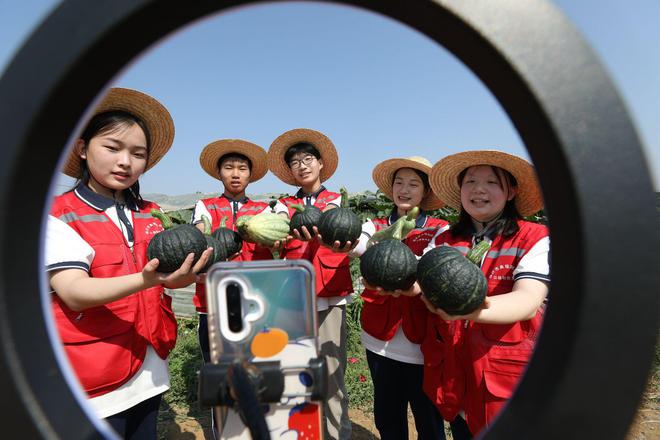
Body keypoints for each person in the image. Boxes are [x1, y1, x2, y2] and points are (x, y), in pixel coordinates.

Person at [45, 87, 212, 439]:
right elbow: (74, 291)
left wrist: (180, 280)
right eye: (112, 147)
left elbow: (164, 278)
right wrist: (148, 280)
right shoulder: (58, 215)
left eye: (138, 154)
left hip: (150, 370)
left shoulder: (151, 213)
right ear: (82, 148)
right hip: (93, 378)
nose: (126, 162)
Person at [421, 150, 550, 437]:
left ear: (511, 191)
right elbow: (422, 282)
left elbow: (527, 301)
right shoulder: (443, 240)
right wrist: (401, 284)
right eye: (470, 181)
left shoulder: (534, 238)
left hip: (503, 379)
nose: (479, 189)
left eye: (492, 182)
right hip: (455, 376)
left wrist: (466, 309)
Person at [351, 156, 457, 439]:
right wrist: (349, 242)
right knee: (387, 419)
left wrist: (393, 260)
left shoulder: (439, 228)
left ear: (425, 191)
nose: (405, 189)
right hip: (379, 339)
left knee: (428, 421)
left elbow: (433, 263)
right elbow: (359, 244)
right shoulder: (374, 225)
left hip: (421, 342)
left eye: (413, 184)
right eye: (399, 183)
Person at [267, 128, 353, 440]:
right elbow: (271, 235)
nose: (302, 166)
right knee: (294, 376)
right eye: (295, 163)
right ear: (290, 172)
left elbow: (346, 233)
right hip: (291, 301)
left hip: (329, 299)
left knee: (331, 378)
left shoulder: (337, 201)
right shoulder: (280, 206)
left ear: (320, 164)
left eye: (308, 159)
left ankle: (336, 435)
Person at [191, 139, 273, 363]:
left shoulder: (264, 210)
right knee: (216, 363)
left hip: (254, 299)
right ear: (219, 173)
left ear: (250, 175)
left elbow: (273, 244)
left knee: (256, 361)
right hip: (213, 299)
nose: (235, 174)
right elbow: (200, 238)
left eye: (242, 169)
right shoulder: (205, 206)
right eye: (228, 168)